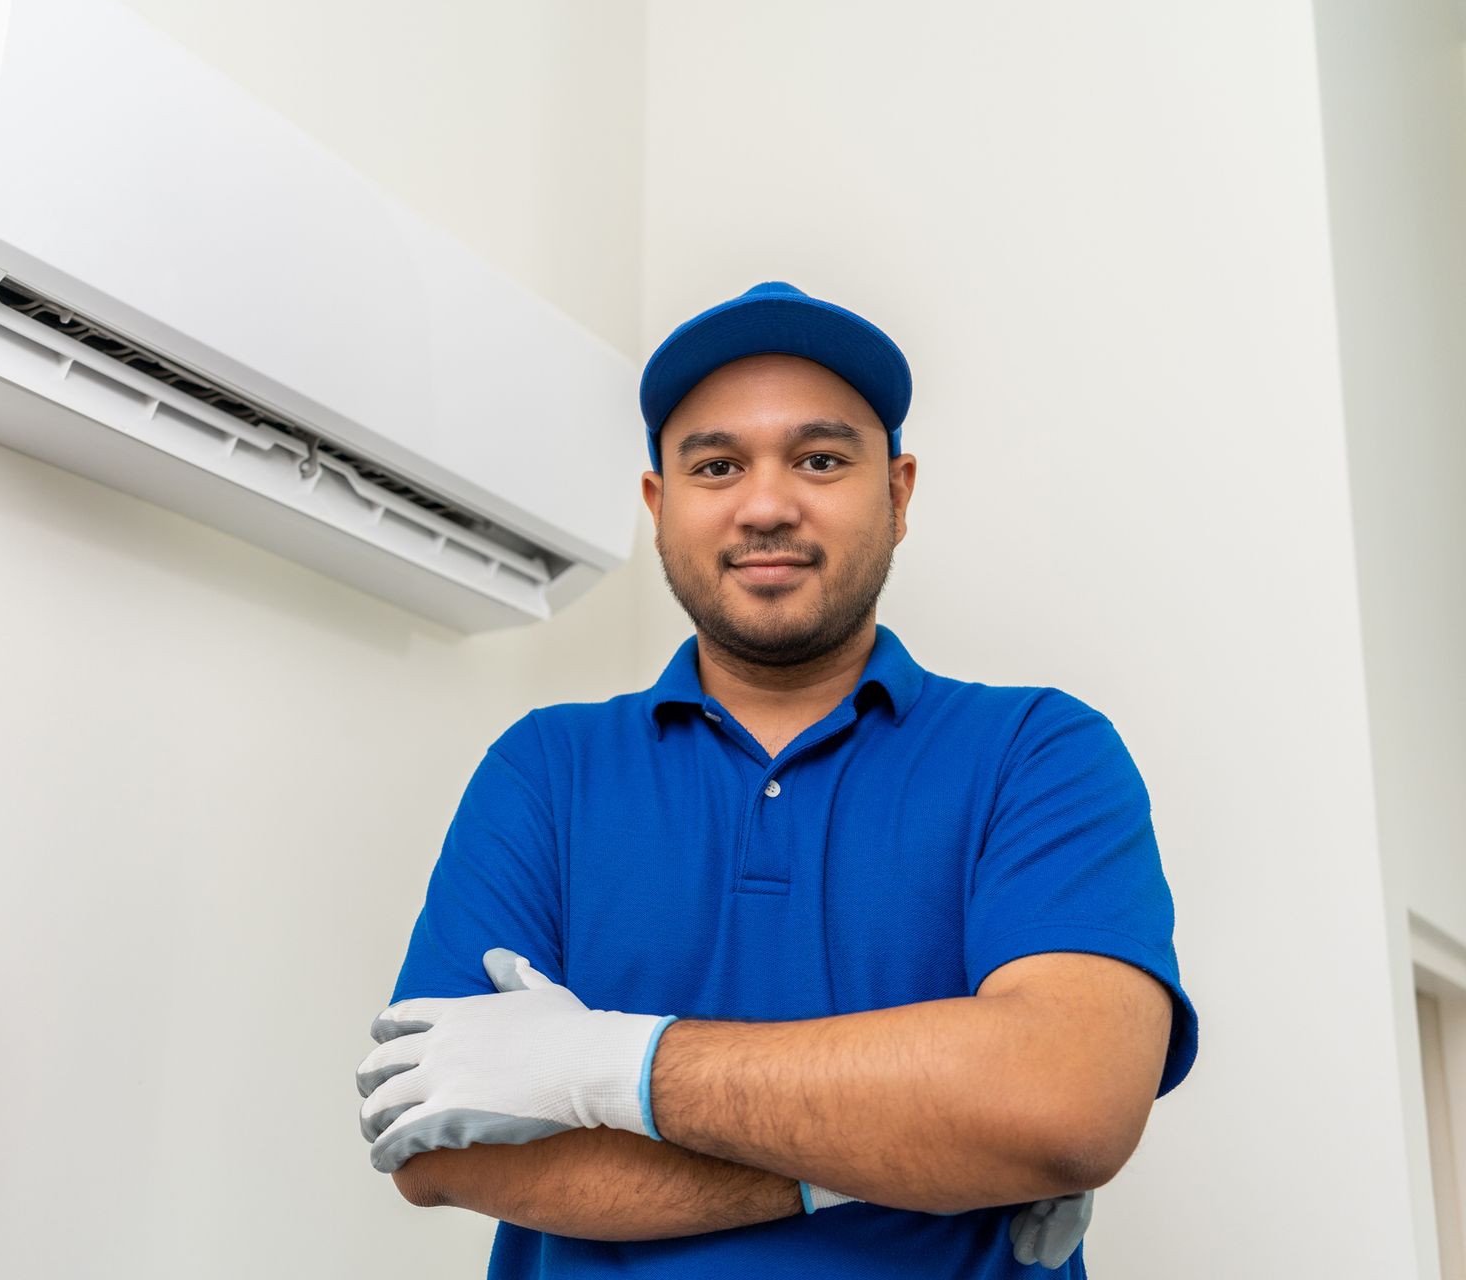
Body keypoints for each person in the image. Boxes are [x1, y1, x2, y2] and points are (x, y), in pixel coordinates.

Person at [354, 281, 1200, 1278]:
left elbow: (1069, 1100)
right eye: (717, 465)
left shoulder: (1039, 750)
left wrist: (599, 1066)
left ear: (897, 491)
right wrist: (922, 1153)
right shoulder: (545, 769)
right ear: (659, 507)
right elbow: (434, 1139)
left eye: (821, 458)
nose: (766, 503)